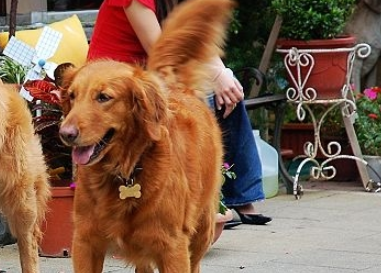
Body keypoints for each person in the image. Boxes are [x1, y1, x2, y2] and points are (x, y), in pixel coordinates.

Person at [87, 0, 272, 225]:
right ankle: (206, 201)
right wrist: (214, 76)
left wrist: (222, 74)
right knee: (200, 97)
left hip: (147, 75)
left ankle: (238, 199)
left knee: (228, 89)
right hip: (116, 86)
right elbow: (159, 48)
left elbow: (195, 36)